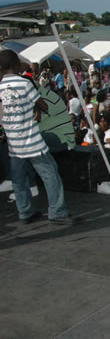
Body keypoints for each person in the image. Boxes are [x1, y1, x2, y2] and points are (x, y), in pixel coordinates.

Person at [0, 50, 73, 225]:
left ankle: (25, 211)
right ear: (17, 65)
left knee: (18, 178)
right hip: (31, 140)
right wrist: (37, 108)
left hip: (13, 142)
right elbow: (42, 103)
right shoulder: (24, 83)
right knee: (50, 173)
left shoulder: (0, 86)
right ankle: (57, 211)